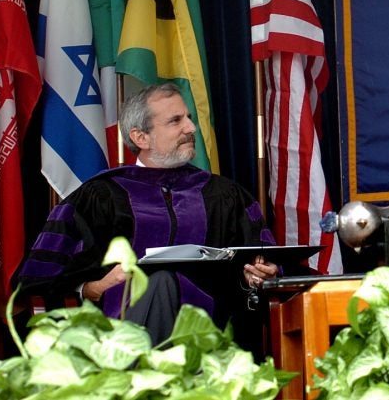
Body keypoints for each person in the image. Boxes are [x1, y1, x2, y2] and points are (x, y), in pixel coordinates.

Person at [16, 82, 279, 346]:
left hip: (213, 332)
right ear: (141, 137)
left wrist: (259, 273)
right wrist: (91, 288)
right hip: (115, 335)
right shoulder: (100, 196)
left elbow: (265, 262)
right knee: (161, 283)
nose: (190, 128)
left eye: (188, 118)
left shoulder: (224, 195)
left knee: (167, 283)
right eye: (176, 121)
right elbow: (39, 281)